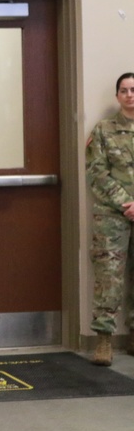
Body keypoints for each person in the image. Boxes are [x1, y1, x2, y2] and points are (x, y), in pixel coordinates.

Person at [86, 72, 134, 366]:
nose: (130, 95)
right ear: (117, 96)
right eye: (124, 90)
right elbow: (96, 173)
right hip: (112, 215)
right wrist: (126, 204)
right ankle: (104, 340)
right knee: (109, 278)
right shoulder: (104, 130)